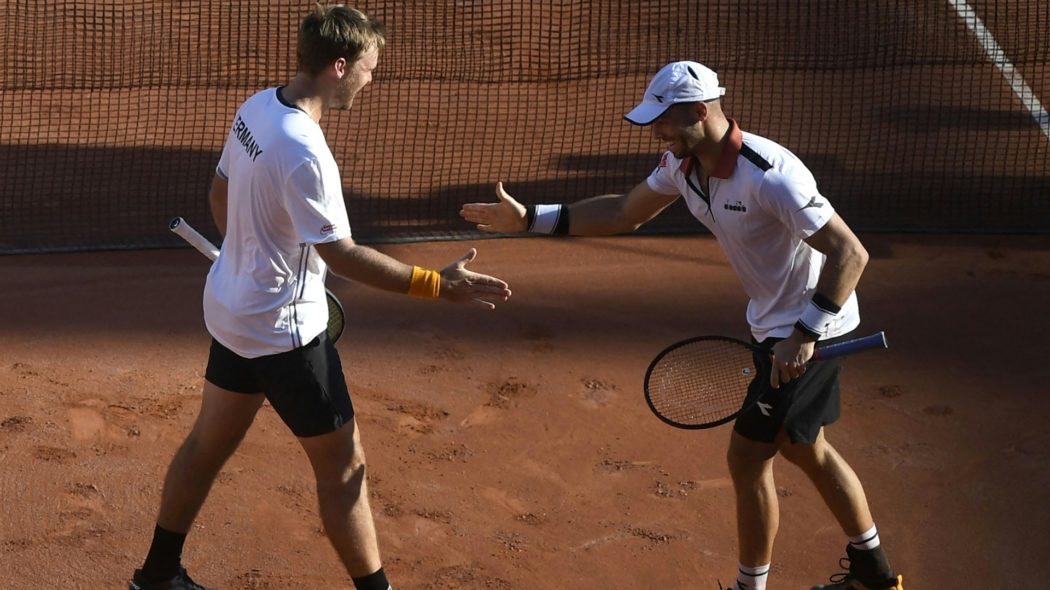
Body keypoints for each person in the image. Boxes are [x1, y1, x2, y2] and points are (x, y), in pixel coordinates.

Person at [460, 61, 902, 590]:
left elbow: (850, 253)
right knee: (805, 446)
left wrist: (804, 334)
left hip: (814, 325)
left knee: (748, 458)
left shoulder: (771, 175)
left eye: (664, 120)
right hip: (773, 325)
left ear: (698, 111)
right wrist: (532, 218)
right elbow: (625, 212)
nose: (657, 132)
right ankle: (874, 573)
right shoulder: (681, 165)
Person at [129, 5, 511, 590]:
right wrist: (438, 284)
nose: (370, 79)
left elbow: (219, 192)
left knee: (208, 443)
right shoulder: (306, 151)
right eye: (368, 68)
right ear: (339, 66)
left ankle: (156, 577)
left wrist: (248, 256)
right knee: (342, 468)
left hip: (233, 311)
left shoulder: (256, 108)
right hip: (284, 334)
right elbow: (344, 256)